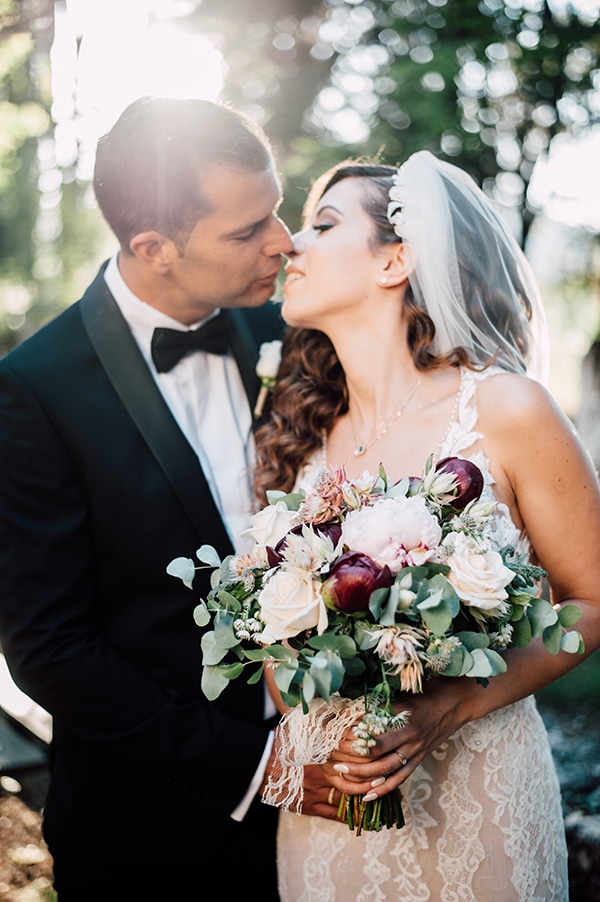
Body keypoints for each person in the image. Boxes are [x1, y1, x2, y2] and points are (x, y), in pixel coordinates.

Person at [0, 96, 338, 901]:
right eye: (246, 230)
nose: (283, 241)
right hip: (148, 832)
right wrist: (254, 767)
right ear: (153, 248)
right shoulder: (33, 392)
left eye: (279, 210)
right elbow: (50, 646)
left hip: (330, 810)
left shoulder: (293, 333)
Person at [253, 153, 600, 900]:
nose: (290, 244)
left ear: (396, 260)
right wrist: (308, 736)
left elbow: (591, 600)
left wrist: (452, 703)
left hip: (478, 800)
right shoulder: (301, 444)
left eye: (323, 225)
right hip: (334, 817)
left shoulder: (506, 410)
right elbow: (276, 639)